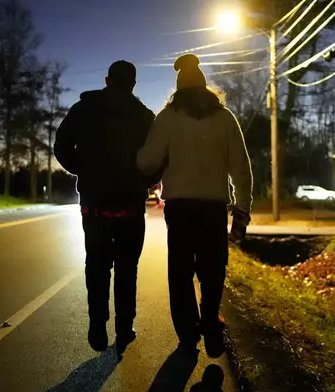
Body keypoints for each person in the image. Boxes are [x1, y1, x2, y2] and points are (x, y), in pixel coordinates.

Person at [137, 53, 253, 358]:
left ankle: (188, 335)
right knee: (213, 269)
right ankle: (211, 319)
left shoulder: (168, 118)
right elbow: (242, 168)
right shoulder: (224, 118)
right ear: (205, 87)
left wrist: (139, 160)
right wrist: (242, 211)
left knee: (181, 271)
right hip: (214, 208)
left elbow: (147, 161)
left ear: (178, 89)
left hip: (180, 208)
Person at [54, 60, 159, 354]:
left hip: (94, 205)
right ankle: (124, 328)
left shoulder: (83, 109)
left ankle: (97, 325)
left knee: (97, 266)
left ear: (107, 80)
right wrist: (146, 182)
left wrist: (82, 171)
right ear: (133, 84)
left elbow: (61, 146)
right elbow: (157, 158)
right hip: (130, 205)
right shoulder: (144, 117)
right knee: (127, 269)